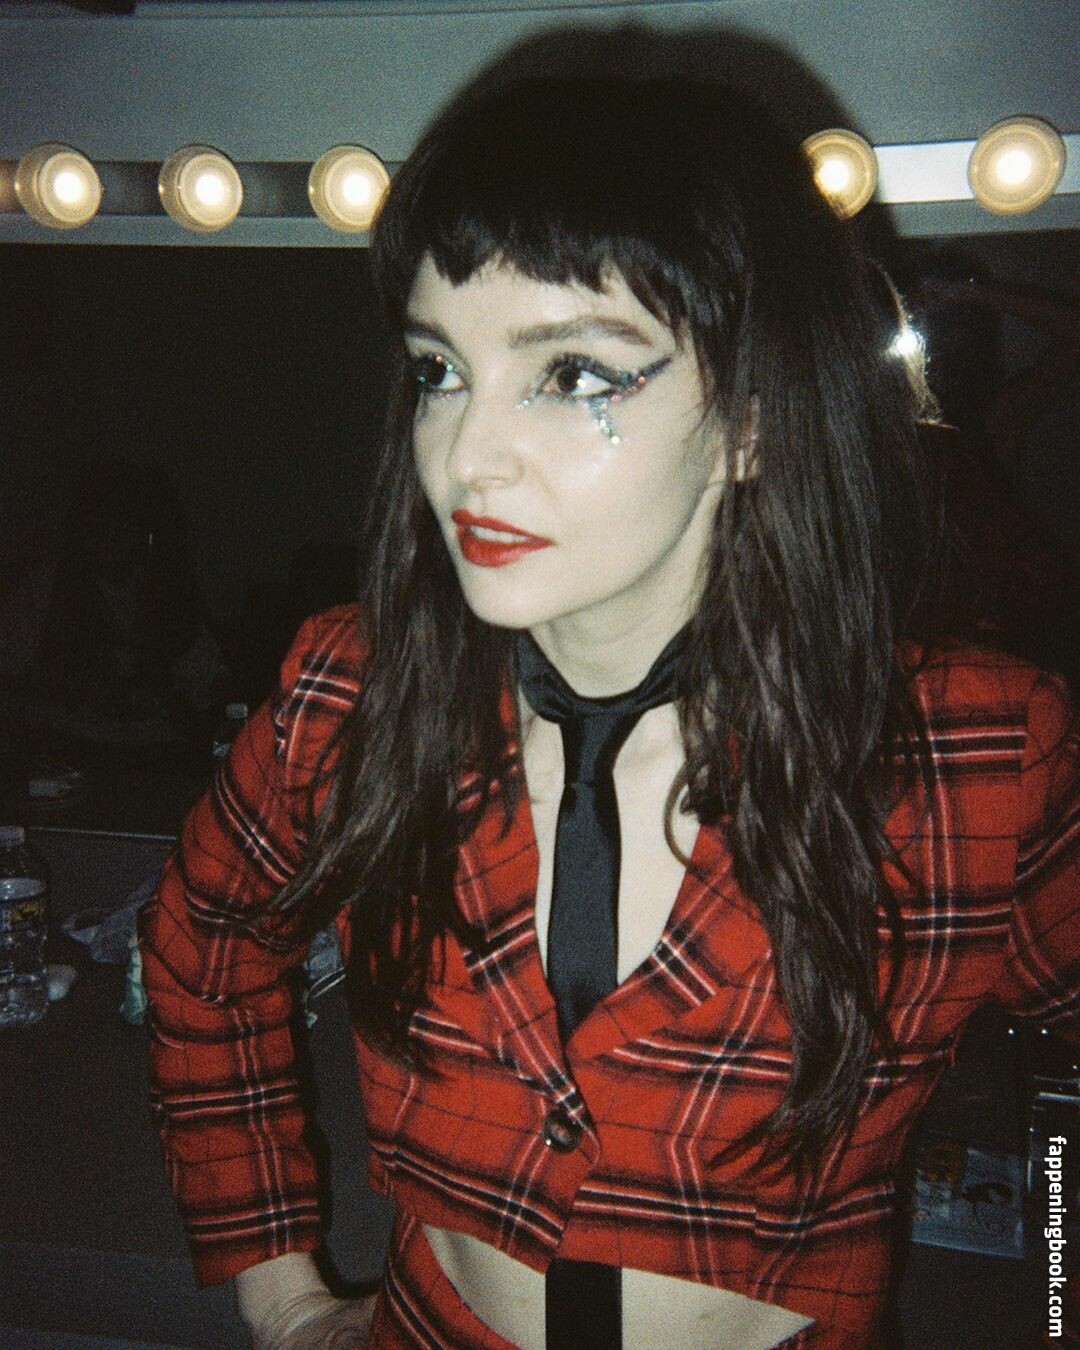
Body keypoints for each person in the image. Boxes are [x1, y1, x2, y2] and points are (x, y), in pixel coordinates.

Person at [139, 38, 1080, 1350]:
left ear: (753, 414)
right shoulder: (348, 696)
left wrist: (1056, 1282)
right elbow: (201, 956)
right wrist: (287, 1296)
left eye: (573, 372)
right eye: (439, 369)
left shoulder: (975, 754)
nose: (467, 455)